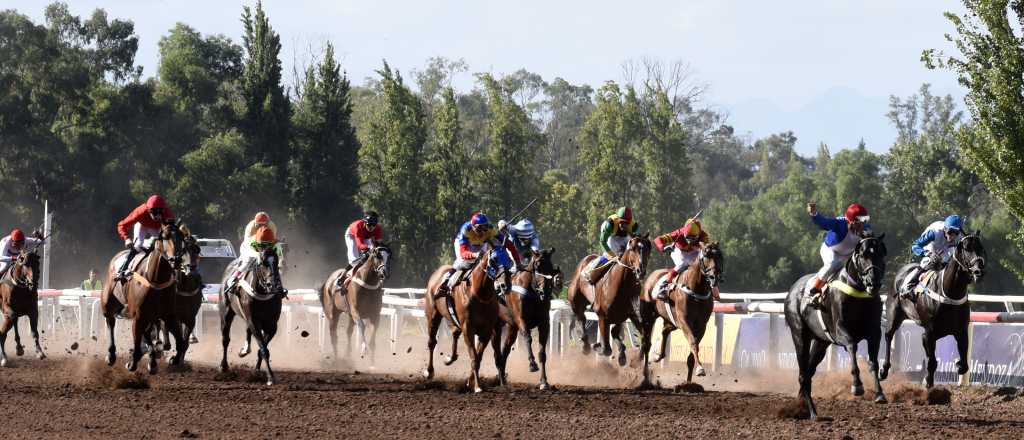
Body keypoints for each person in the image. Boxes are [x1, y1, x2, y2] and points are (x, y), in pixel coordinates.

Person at [435, 212, 521, 297]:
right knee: (460, 263)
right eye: (479, 229)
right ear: (473, 226)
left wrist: (518, 262)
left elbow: (510, 245)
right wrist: (474, 255)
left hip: (481, 244)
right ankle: (444, 285)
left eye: (485, 229)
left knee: (489, 261)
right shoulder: (466, 229)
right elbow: (463, 253)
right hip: (465, 245)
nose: (483, 232)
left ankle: (496, 285)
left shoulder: (491, 229)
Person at [806, 202, 871, 303]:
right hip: (831, 250)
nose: (863, 224)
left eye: (865, 219)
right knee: (832, 264)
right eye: (860, 220)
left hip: (849, 254)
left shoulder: (866, 228)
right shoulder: (839, 223)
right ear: (851, 221)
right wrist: (814, 213)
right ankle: (813, 291)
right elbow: (823, 222)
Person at [653, 218, 718, 301]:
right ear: (684, 233)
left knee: (703, 263)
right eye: (687, 238)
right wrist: (663, 247)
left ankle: (713, 286)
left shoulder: (704, 236)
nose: (689, 242)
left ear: (698, 234)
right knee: (683, 264)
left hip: (694, 252)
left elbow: (706, 250)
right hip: (678, 251)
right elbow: (658, 239)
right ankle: (663, 287)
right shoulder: (678, 233)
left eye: (693, 239)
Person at [114, 195, 174, 282]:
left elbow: (172, 231)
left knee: (166, 245)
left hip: (158, 228)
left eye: (160, 212)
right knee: (138, 244)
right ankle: (123, 269)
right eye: (154, 213)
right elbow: (121, 225)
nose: (158, 216)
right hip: (142, 225)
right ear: (148, 210)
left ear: (164, 210)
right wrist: (126, 238)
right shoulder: (140, 211)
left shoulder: (168, 214)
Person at [901, 215, 964, 297]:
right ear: (945, 229)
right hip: (932, 246)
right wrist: (928, 254)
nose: (953, 236)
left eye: (956, 233)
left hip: (946, 249)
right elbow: (915, 245)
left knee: (950, 263)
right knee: (928, 262)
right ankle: (907, 286)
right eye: (950, 232)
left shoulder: (960, 237)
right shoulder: (934, 232)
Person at [582, 207, 639, 284]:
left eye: (626, 223)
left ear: (630, 222)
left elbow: (638, 239)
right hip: (611, 236)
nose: (623, 225)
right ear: (618, 219)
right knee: (609, 256)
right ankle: (589, 271)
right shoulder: (610, 224)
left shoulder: (634, 225)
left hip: (624, 236)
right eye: (621, 222)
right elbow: (603, 242)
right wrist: (612, 255)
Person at [225, 225, 284, 294]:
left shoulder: (276, 244)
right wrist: (258, 255)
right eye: (262, 245)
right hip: (247, 249)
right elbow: (251, 253)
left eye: (268, 244)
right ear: (258, 242)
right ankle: (232, 278)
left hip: (261, 250)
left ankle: (277, 284)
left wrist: (279, 263)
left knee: (273, 264)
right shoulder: (250, 242)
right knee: (246, 263)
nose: (265, 247)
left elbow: (279, 255)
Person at [337, 211, 384, 289]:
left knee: (375, 256)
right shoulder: (358, 226)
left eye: (374, 225)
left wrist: (379, 249)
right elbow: (360, 245)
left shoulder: (378, 228)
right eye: (369, 225)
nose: (372, 227)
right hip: (352, 236)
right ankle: (341, 277)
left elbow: (378, 243)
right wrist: (369, 249)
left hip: (366, 237)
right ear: (364, 222)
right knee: (355, 260)